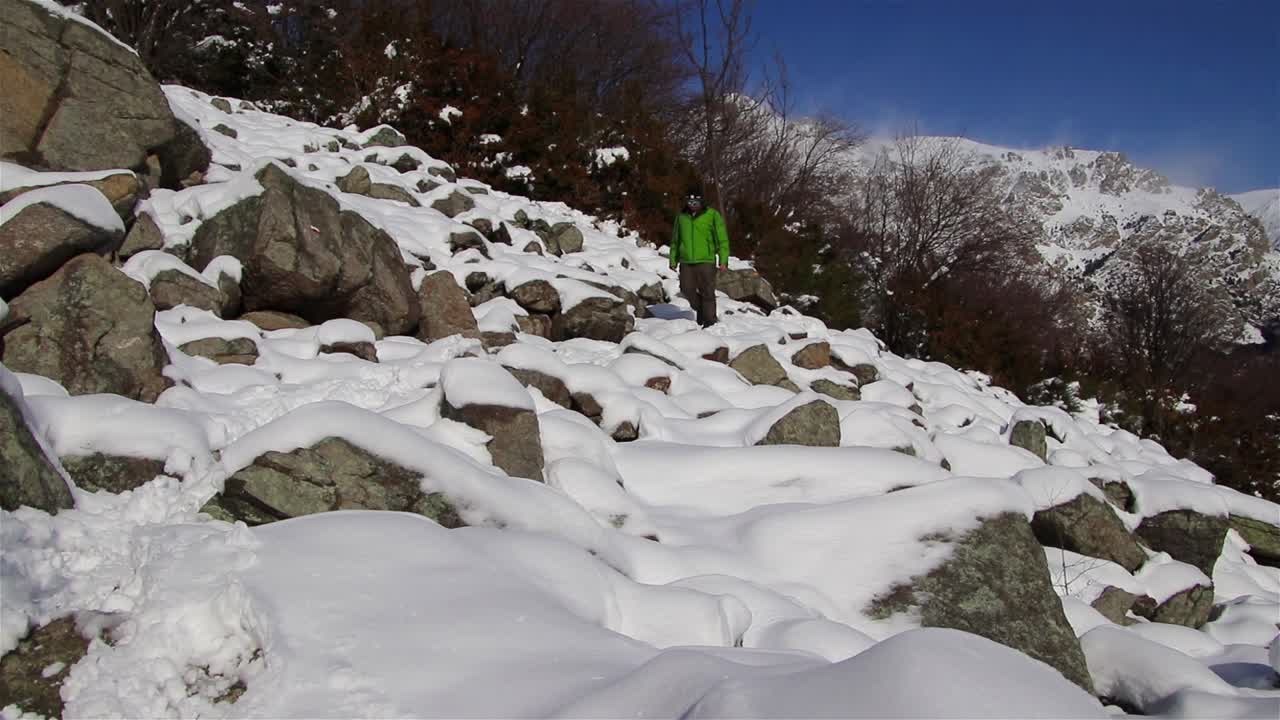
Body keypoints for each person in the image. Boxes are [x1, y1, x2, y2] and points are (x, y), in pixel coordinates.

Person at [669, 192, 730, 328]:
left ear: (702, 202)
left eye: (696, 202)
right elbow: (675, 239)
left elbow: (722, 239)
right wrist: (673, 258)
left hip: (706, 260)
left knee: (707, 291)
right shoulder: (681, 216)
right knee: (686, 289)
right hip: (686, 261)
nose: (693, 205)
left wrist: (723, 260)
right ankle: (701, 309)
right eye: (690, 202)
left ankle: (710, 322)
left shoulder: (712, 215)